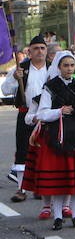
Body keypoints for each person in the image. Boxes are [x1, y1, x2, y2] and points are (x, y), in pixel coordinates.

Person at [25, 51, 75, 229]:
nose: (69, 68)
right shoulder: (50, 87)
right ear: (58, 67)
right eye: (65, 65)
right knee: (60, 180)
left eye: (72, 65)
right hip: (56, 137)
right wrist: (59, 111)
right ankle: (58, 216)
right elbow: (42, 113)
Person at [2, 36, 49, 202]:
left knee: (45, 152)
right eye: (36, 48)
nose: (39, 51)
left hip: (46, 116)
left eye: (42, 48)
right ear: (29, 51)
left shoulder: (52, 69)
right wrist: (15, 78)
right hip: (25, 113)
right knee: (23, 151)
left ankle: (40, 187)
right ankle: (21, 189)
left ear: (46, 50)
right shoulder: (21, 68)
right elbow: (5, 90)